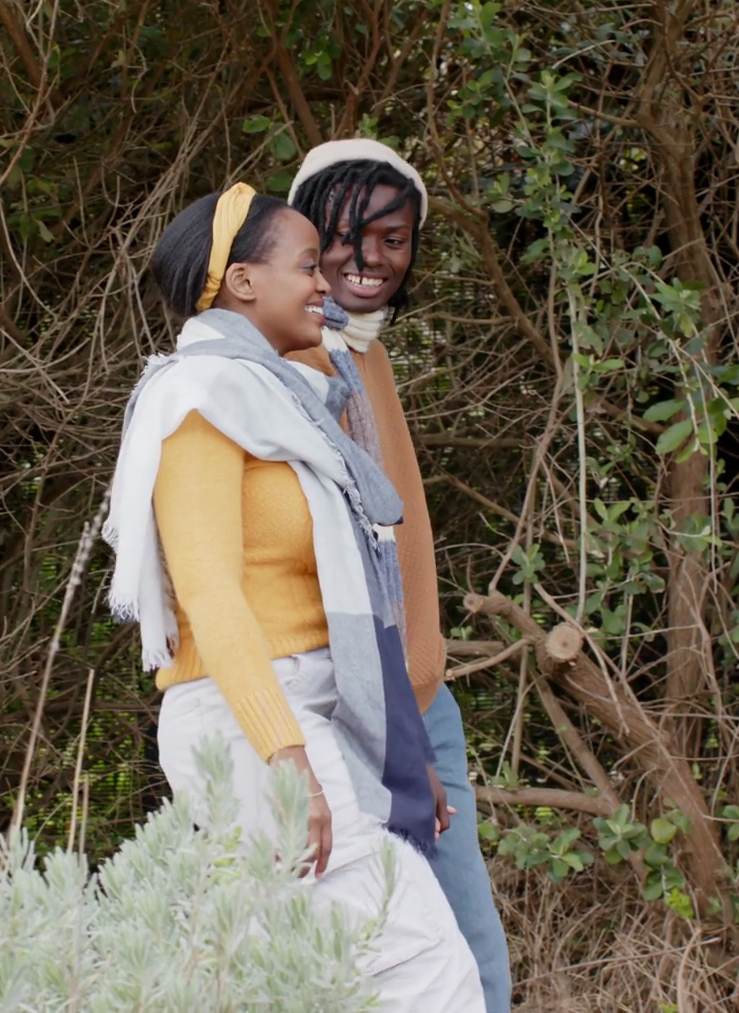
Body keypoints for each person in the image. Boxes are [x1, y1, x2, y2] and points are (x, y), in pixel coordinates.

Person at [105, 182, 484, 1011]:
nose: (326, 282)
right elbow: (210, 593)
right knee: (428, 974)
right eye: (308, 264)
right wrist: (286, 758)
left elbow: (342, 599)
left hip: (314, 713)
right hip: (250, 721)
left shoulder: (283, 402)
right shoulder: (196, 401)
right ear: (243, 281)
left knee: (330, 984)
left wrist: (399, 746)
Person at [288, 139, 514, 1012]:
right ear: (306, 235)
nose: (371, 257)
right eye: (349, 234)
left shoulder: (363, 352)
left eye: (395, 238)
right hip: (360, 708)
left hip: (418, 699)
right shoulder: (297, 365)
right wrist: (394, 737)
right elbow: (337, 570)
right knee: (442, 968)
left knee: (462, 959)